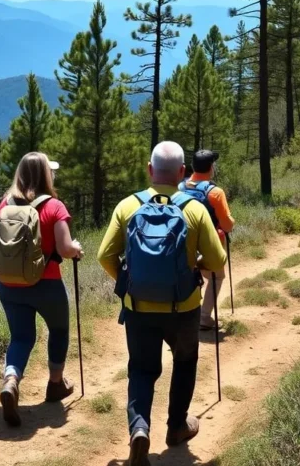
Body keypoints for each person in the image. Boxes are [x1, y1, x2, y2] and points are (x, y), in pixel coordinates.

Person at [97, 141, 228, 466]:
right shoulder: (194, 209)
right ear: (182, 173)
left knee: (141, 369)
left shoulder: (128, 206)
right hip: (183, 307)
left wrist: (129, 282)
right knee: (184, 362)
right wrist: (193, 265)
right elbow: (216, 259)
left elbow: (104, 256)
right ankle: (176, 427)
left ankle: (139, 429)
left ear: (149, 170)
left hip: (138, 308)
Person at [0, 152, 84, 427]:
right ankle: (55, 384)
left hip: (10, 285)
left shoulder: (4, 205)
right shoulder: (54, 206)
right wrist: (77, 249)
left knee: (21, 337)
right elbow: (66, 249)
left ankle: (10, 379)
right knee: (58, 330)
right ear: (46, 175)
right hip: (47, 284)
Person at [178, 149, 235, 331]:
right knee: (217, 277)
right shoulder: (215, 192)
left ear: (192, 167)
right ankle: (203, 316)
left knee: (190, 274)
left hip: (184, 242)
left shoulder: (180, 188)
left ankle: (185, 314)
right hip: (211, 243)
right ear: (211, 167)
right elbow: (227, 226)